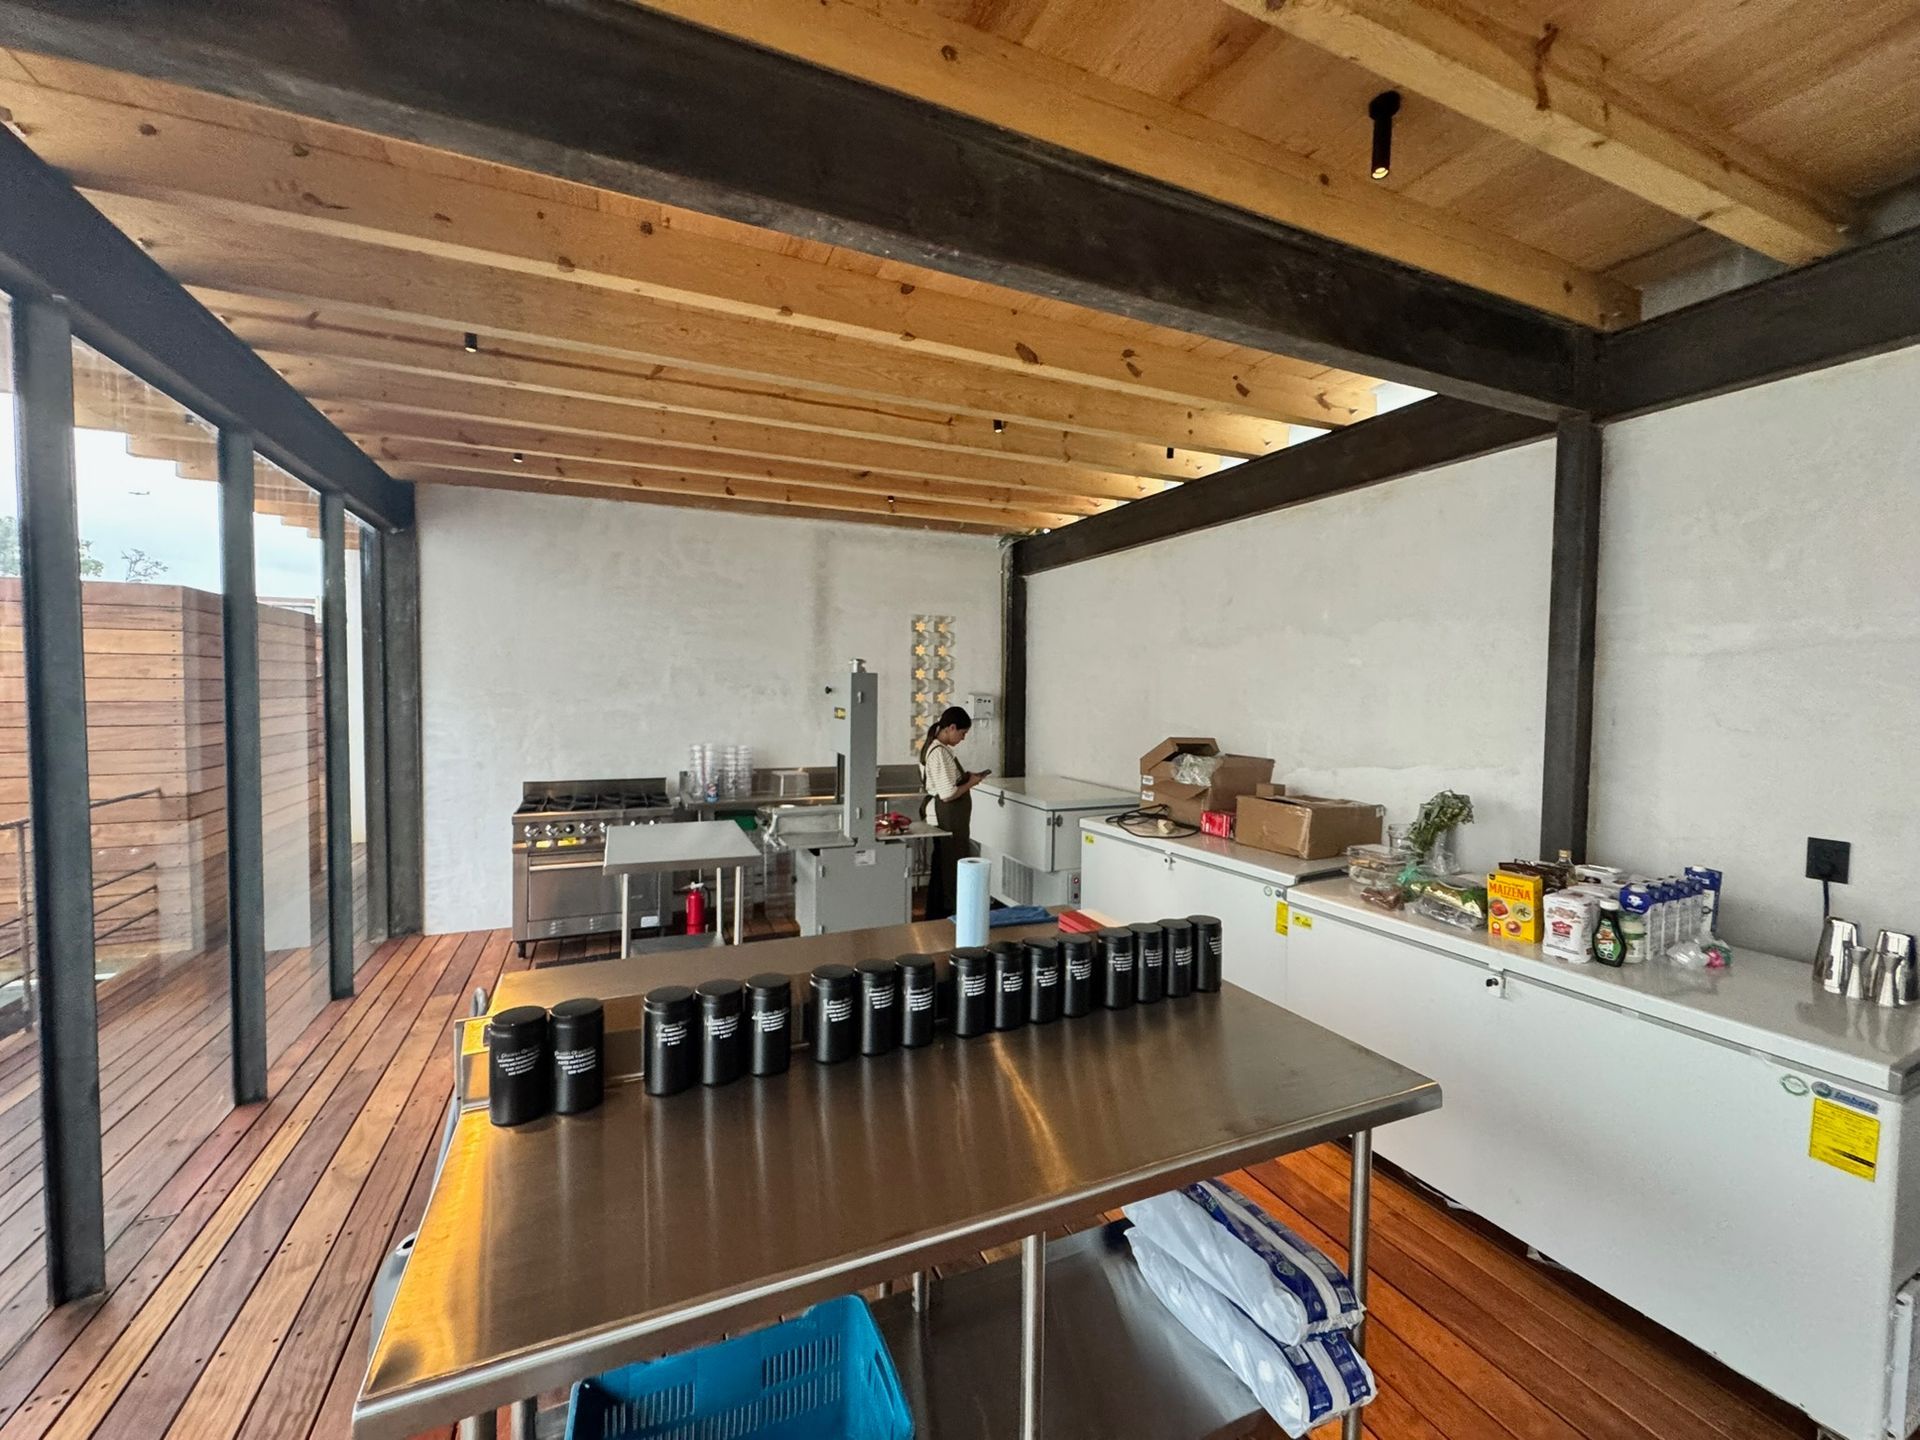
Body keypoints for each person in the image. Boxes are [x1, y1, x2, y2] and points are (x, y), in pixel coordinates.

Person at [920, 706, 988, 920]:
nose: (963, 738)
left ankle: (937, 913)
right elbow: (948, 794)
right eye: (962, 733)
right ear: (951, 728)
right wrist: (971, 783)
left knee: (942, 865)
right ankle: (947, 913)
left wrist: (966, 777)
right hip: (946, 816)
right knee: (949, 866)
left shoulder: (938, 748)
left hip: (949, 817)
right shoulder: (939, 753)